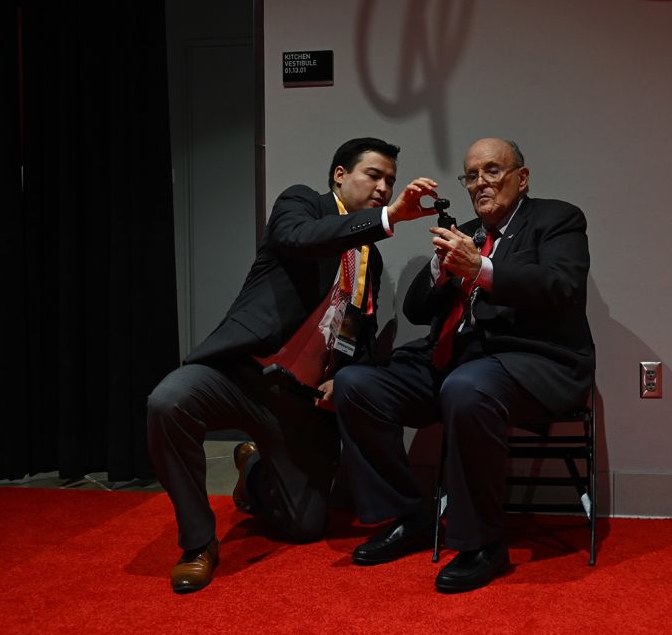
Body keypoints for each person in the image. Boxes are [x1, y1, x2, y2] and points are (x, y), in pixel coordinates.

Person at [147, 138, 439, 594]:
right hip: (239, 373)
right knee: (168, 401)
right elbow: (298, 240)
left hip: (296, 401)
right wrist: (389, 218)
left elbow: (357, 330)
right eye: (374, 176)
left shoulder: (370, 259)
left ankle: (255, 469)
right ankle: (198, 544)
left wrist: (341, 376)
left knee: (306, 527)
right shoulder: (301, 205)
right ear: (340, 176)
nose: (384, 187)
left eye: (391, 181)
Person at [334, 137, 595, 593]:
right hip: (453, 362)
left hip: (530, 361)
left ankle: (484, 544)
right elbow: (417, 310)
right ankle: (408, 516)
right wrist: (441, 269)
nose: (480, 183)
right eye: (471, 175)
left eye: (492, 170)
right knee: (355, 383)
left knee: (467, 386)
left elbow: (562, 286)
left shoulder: (556, 220)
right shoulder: (466, 230)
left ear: (522, 177)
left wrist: (483, 269)